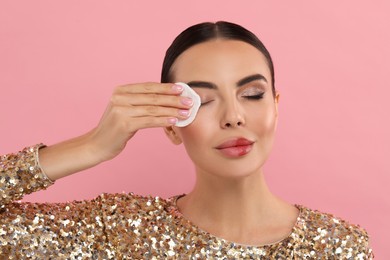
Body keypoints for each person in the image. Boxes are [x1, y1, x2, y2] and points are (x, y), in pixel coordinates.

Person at [0, 21, 373, 259]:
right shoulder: (116, 231)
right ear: (171, 125)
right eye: (204, 100)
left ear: (276, 106)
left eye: (253, 94)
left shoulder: (343, 246)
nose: (233, 116)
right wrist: (93, 146)